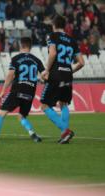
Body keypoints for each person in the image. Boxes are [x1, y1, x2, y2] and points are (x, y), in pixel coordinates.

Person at [0, 37, 44, 144]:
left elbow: (10, 75)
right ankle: (32, 133)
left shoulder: (16, 58)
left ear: (21, 45)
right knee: (21, 116)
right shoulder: (37, 60)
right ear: (30, 47)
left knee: (1, 114)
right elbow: (44, 76)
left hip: (17, 90)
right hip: (30, 92)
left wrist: (3, 91)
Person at [40, 15, 84, 144]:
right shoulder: (72, 40)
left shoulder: (52, 36)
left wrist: (46, 70)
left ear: (54, 25)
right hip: (67, 75)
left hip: (55, 74)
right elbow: (81, 62)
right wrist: (70, 71)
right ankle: (64, 135)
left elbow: (53, 53)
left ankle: (65, 130)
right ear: (64, 26)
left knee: (44, 105)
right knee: (63, 103)